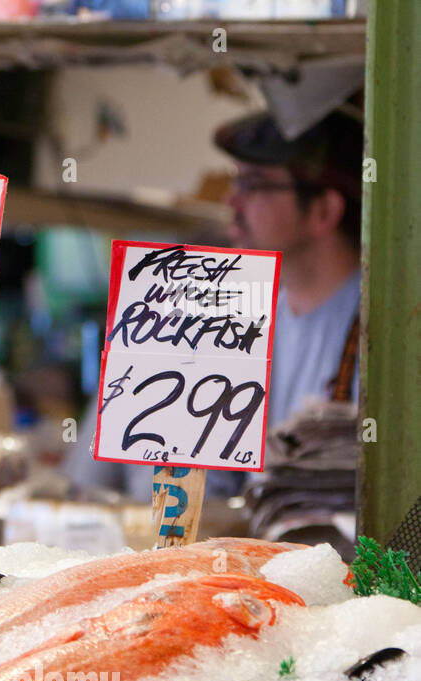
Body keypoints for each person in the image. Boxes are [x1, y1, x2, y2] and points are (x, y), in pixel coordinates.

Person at [63, 107, 364, 498]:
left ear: (324, 210)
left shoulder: (384, 332)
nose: (231, 201)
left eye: (254, 185)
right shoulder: (226, 317)